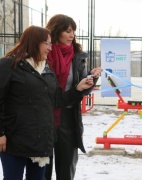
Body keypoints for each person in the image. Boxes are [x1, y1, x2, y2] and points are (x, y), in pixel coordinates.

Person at [0, 25, 94, 180]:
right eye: (47, 44)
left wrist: (78, 89)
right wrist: (1, 133)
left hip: (41, 140)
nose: (50, 48)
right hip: (14, 139)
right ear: (34, 42)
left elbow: (57, 100)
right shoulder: (9, 65)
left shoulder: (46, 69)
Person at [44, 14, 102, 180]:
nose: (72, 35)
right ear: (56, 31)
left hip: (68, 117)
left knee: (66, 167)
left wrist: (91, 79)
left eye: (73, 31)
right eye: (68, 31)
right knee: (42, 168)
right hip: (43, 116)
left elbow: (81, 91)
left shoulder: (78, 56)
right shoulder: (42, 53)